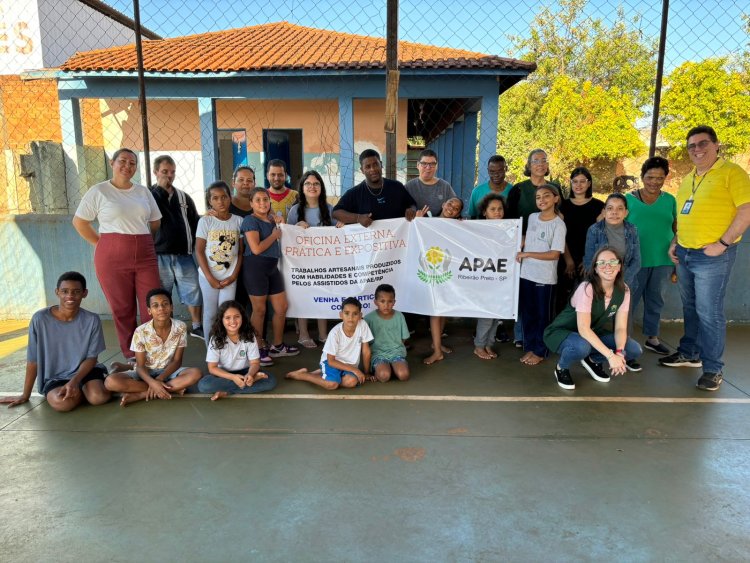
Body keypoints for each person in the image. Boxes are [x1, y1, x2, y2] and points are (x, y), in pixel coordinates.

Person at [660, 125, 750, 391]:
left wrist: (722, 243)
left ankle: (713, 369)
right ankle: (690, 352)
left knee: (709, 313)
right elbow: (685, 216)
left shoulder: (732, 173)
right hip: (686, 253)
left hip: (713, 256)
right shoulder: (689, 179)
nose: (697, 149)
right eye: (692, 146)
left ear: (716, 145)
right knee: (691, 307)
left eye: (702, 144)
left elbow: (746, 210)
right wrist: (676, 242)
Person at [72, 148, 162, 360]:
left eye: (132, 163)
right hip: (111, 256)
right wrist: (102, 244)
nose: (127, 166)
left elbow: (155, 221)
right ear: (112, 163)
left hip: (145, 254)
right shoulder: (99, 191)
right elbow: (80, 222)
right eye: (122, 161)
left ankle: (153, 351)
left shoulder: (142, 192)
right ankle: (132, 355)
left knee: (152, 304)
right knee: (122, 308)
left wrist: (142, 239)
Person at [0, 272, 110, 412]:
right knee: (62, 403)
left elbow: (92, 358)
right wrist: (25, 394)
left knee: (98, 398)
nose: (70, 296)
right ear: (57, 292)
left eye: (76, 292)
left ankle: (88, 388)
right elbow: (33, 360)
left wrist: (74, 381)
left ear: (84, 293)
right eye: (65, 291)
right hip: (56, 376)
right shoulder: (39, 319)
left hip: (84, 372)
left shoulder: (92, 320)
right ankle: (85, 391)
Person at [544, 247, 642, 390]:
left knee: (633, 349)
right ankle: (561, 367)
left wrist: (619, 353)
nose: (607, 266)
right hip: (562, 332)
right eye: (601, 263)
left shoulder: (624, 290)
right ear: (595, 269)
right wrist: (610, 356)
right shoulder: (587, 288)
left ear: (619, 266)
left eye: (612, 262)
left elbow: (621, 327)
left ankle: (593, 360)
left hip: (592, 332)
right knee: (582, 346)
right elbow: (583, 329)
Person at [105, 288, 202, 406]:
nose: (161, 308)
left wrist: (160, 379)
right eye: (155, 306)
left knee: (195, 373)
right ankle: (170, 388)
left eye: (165, 304)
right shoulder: (140, 331)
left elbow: (177, 361)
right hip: (146, 373)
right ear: (149, 311)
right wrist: (152, 382)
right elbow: (140, 367)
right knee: (110, 382)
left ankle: (142, 394)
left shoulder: (180, 327)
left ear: (171, 307)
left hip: (167, 371)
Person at [506, 149, 560, 346]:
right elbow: (509, 218)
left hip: (546, 251)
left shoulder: (555, 188)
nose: (540, 163)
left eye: (544, 160)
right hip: (521, 248)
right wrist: (519, 237)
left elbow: (558, 217)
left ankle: (541, 339)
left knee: (540, 299)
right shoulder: (518, 189)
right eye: (535, 160)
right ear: (528, 166)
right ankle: (521, 334)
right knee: (522, 292)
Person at [241, 187, 299, 365]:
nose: (262, 203)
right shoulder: (249, 220)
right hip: (255, 268)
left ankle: (277, 345)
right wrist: (275, 235)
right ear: (251, 203)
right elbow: (256, 248)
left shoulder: (273, 220)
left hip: (273, 268)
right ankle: (257, 348)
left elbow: (280, 230)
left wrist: (279, 223)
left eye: (265, 200)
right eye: (257, 200)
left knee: (281, 307)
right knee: (259, 310)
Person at [625, 157, 676, 356]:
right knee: (629, 303)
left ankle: (652, 338)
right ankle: (624, 339)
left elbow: (676, 229)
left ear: (665, 178)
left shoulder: (670, 200)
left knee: (656, 301)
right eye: (650, 177)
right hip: (634, 261)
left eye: (660, 178)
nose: (654, 181)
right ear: (642, 177)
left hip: (663, 260)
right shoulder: (628, 200)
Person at [150, 155, 203, 339]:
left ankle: (197, 325)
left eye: (172, 172)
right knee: (163, 292)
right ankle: (167, 328)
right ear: (155, 172)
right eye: (164, 172)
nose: (169, 176)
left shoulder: (183, 197)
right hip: (160, 255)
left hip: (183, 254)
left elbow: (195, 221)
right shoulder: (149, 196)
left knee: (193, 288)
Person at [287, 170, 343, 348]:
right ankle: (303, 334)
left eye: (316, 183)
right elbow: (287, 236)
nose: (312, 187)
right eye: (308, 184)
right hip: (301, 264)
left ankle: (323, 334)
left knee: (322, 296)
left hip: (323, 264)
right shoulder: (296, 210)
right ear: (302, 188)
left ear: (321, 187)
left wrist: (342, 227)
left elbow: (338, 234)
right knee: (302, 297)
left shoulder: (329, 209)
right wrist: (296, 227)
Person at [516, 184, 566, 366]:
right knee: (528, 314)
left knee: (542, 317)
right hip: (526, 275)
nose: (542, 200)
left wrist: (527, 254)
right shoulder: (532, 218)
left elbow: (554, 254)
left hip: (544, 279)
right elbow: (528, 241)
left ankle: (540, 350)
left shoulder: (559, 225)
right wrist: (518, 243)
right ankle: (530, 347)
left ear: (555, 198)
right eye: (538, 197)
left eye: (546, 196)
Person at [583, 193, 641, 337]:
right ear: (604, 211)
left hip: (625, 281)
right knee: (594, 319)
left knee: (623, 321)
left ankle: (623, 352)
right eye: (610, 208)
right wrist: (602, 282)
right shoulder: (594, 230)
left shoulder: (632, 230)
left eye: (620, 208)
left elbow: (637, 260)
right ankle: (594, 351)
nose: (614, 212)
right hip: (599, 282)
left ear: (626, 212)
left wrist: (622, 281)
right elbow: (589, 260)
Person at [285, 297, 373, 390]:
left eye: (355, 314)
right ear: (341, 315)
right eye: (347, 313)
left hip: (349, 365)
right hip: (331, 362)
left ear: (360, 316)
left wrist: (366, 373)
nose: (350, 317)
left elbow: (366, 351)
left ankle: (324, 374)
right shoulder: (335, 333)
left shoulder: (363, 325)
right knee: (332, 384)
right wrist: (355, 370)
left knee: (351, 382)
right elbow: (331, 361)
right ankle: (302, 375)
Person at [197, 300, 277, 400]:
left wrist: (250, 374)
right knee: (204, 385)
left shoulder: (249, 335)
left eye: (237, 316)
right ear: (221, 320)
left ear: (242, 317)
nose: (233, 321)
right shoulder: (216, 338)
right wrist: (233, 378)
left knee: (271, 381)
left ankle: (226, 390)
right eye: (227, 318)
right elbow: (212, 368)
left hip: (245, 371)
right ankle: (246, 383)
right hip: (224, 374)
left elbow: (255, 363)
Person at [195, 181, 244, 336]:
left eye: (224, 197)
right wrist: (210, 278)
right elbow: (199, 251)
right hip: (208, 276)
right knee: (210, 314)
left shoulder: (238, 221)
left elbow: (241, 252)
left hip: (229, 277)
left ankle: (224, 349)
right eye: (215, 198)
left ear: (230, 198)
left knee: (227, 314)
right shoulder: (205, 221)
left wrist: (234, 275)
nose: (220, 201)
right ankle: (211, 352)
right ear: (210, 201)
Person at [558, 167, 605, 312]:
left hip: (590, 258)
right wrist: (568, 260)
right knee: (563, 298)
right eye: (575, 181)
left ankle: (584, 329)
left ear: (589, 183)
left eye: (582, 182)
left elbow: (600, 236)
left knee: (586, 297)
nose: (578, 185)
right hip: (566, 257)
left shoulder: (599, 206)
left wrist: (589, 260)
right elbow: (560, 235)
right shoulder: (562, 206)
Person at [332, 149, 417, 226]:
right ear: (362, 170)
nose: (372, 169)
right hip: (371, 242)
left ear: (381, 164)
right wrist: (358, 218)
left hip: (398, 241)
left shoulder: (397, 186)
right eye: (367, 167)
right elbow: (336, 212)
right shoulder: (355, 193)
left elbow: (412, 204)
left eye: (375, 164)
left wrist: (411, 210)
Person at [473, 194, 508, 360]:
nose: (497, 212)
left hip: (501, 279)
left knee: (496, 315)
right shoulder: (478, 230)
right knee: (486, 315)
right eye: (493, 209)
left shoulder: (508, 229)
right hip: (484, 279)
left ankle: (489, 344)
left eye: (500, 209)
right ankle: (479, 346)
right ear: (485, 212)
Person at [364, 284, 410, 382]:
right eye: (382, 301)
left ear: (394, 302)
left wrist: (395, 345)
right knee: (384, 376)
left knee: (404, 375)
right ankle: (384, 369)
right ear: (376, 302)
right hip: (378, 354)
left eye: (390, 301)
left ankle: (393, 367)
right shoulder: (368, 318)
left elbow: (404, 337)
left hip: (396, 352)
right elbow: (364, 343)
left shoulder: (399, 316)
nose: (386, 305)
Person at [404, 149, 457, 217]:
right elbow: (399, 211)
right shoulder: (408, 187)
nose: (428, 167)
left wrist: (458, 218)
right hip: (415, 226)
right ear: (417, 165)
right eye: (424, 164)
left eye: (432, 164)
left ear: (436, 166)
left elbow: (455, 209)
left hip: (438, 226)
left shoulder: (445, 187)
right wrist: (414, 217)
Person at [468, 155, 513, 219]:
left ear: (506, 169)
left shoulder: (513, 191)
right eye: (492, 171)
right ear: (488, 170)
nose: (496, 175)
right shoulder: (477, 191)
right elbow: (472, 218)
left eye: (500, 171)